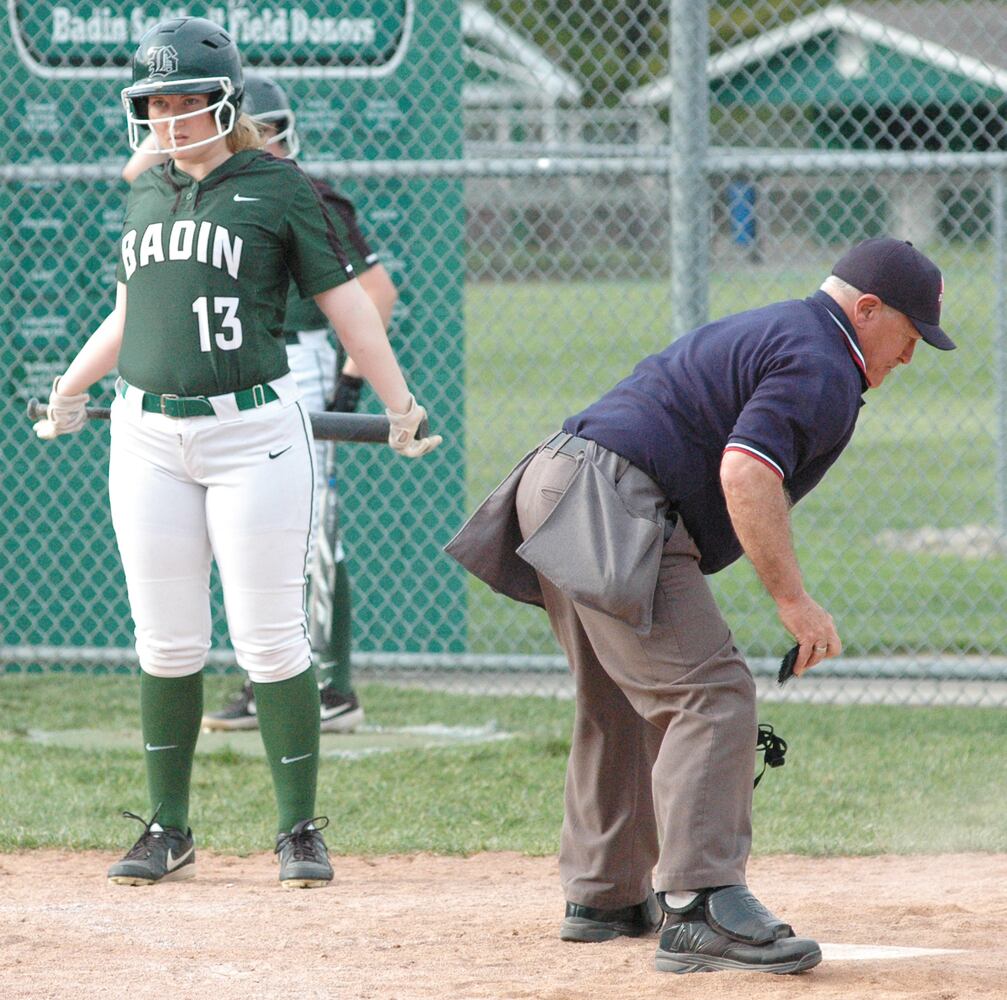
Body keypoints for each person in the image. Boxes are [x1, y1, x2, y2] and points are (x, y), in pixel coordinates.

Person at [446, 238, 953, 974]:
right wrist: (793, 601)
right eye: (909, 336)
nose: (908, 358)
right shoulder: (823, 361)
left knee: (622, 699)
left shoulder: (787, 329)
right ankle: (700, 904)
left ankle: (605, 893)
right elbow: (746, 471)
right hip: (610, 500)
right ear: (866, 310)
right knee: (711, 694)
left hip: (557, 484)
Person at [32, 16, 440, 889]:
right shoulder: (147, 194)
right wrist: (71, 387)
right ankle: (167, 827)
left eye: (185, 101)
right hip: (145, 431)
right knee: (166, 640)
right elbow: (129, 314)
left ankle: (298, 829)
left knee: (268, 638)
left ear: (227, 101)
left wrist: (399, 402)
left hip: (254, 428)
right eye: (154, 103)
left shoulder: (278, 186)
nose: (169, 118)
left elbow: (351, 308)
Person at [122, 73, 397, 734]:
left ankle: (328, 684)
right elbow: (135, 171)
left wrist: (352, 382)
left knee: (307, 535)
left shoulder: (293, 191)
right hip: (229, 371)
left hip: (286, 362)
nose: (264, 143)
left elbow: (375, 294)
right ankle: (275, 677)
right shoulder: (185, 188)